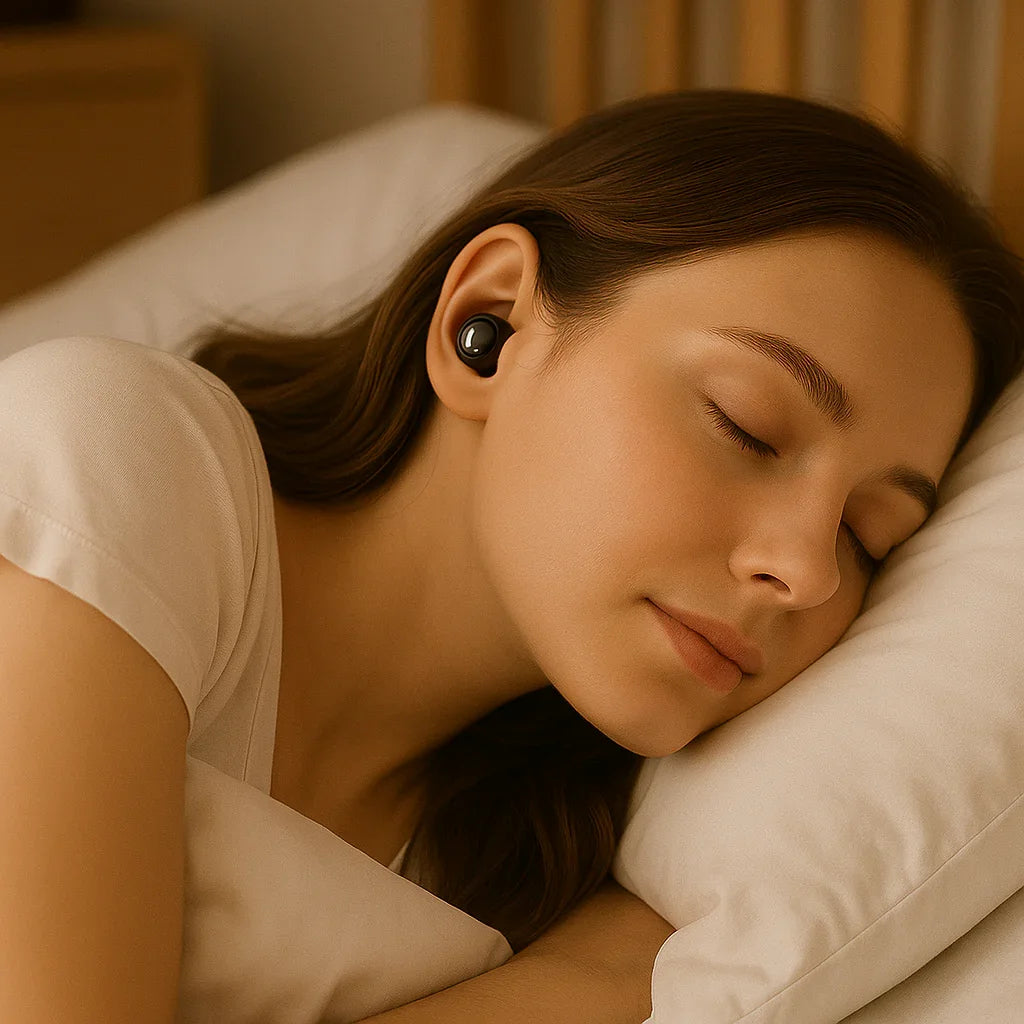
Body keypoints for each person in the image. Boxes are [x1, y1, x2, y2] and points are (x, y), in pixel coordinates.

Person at [1, 89, 1022, 1024]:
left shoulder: (534, 883)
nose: (807, 572)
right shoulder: (116, 457)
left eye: (867, 536)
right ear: (486, 319)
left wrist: (621, 960)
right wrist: (589, 981)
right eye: (746, 424)